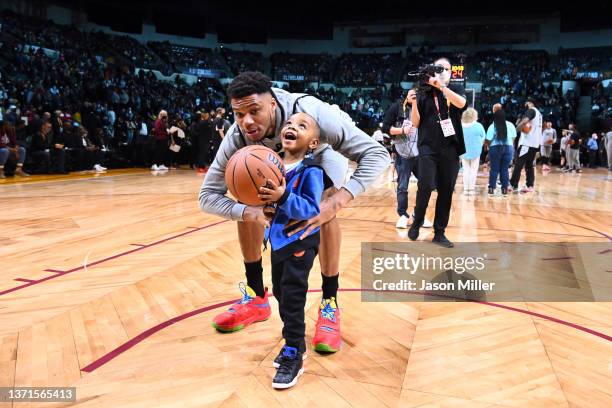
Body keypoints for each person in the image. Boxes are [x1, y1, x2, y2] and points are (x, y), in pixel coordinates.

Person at [199, 72, 390, 353]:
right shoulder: (238, 135)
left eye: (255, 111)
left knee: (322, 201)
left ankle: (329, 303)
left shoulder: (315, 114)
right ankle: (256, 296)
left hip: (321, 150)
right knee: (248, 197)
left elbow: (378, 155)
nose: (247, 121)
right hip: (275, 163)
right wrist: (250, 212)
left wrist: (337, 201)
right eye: (239, 114)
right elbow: (206, 197)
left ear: (273, 104)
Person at [259, 112, 325, 389]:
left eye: (302, 126)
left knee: (293, 298)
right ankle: (295, 342)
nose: (292, 127)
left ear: (313, 143)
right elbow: (267, 206)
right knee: (281, 292)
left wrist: (284, 196)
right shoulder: (269, 167)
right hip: (278, 242)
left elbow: (312, 209)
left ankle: (293, 350)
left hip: (300, 242)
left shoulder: (312, 171)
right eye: (288, 124)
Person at [408, 57, 468, 248]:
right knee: (425, 185)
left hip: (450, 148)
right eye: (439, 68)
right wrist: (414, 103)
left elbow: (461, 104)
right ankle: (417, 221)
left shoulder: (454, 89)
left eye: (447, 69)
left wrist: (441, 87)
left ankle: (439, 232)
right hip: (427, 147)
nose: (443, 71)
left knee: (446, 191)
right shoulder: (423, 91)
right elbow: (416, 123)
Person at [381, 89, 432, 229]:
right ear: (406, 96)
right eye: (411, 95)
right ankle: (403, 215)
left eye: (416, 96)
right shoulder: (397, 107)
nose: (414, 97)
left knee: (426, 185)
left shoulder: (422, 109)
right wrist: (401, 131)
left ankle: (418, 215)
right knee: (402, 186)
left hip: (419, 154)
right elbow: (385, 128)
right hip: (402, 153)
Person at [510, 98, 542, 193]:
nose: (526, 104)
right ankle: (530, 185)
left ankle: (513, 184)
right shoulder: (539, 114)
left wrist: (514, 131)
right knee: (529, 165)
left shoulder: (531, 110)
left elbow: (524, 122)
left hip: (527, 143)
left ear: (530, 103)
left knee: (519, 164)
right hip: (535, 143)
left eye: (526, 102)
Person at [485, 104, 517, 196]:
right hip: (508, 148)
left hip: (495, 148)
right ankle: (504, 189)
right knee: (504, 170)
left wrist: (490, 146)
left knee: (494, 169)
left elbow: (488, 140)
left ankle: (491, 188)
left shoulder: (492, 126)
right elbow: (513, 137)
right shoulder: (510, 125)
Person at [460, 108, 486, 195]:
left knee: (466, 170)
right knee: (473, 170)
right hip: (476, 151)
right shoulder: (478, 126)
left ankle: (465, 189)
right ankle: (471, 189)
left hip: (463, 151)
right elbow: (483, 138)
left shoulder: (460, 125)